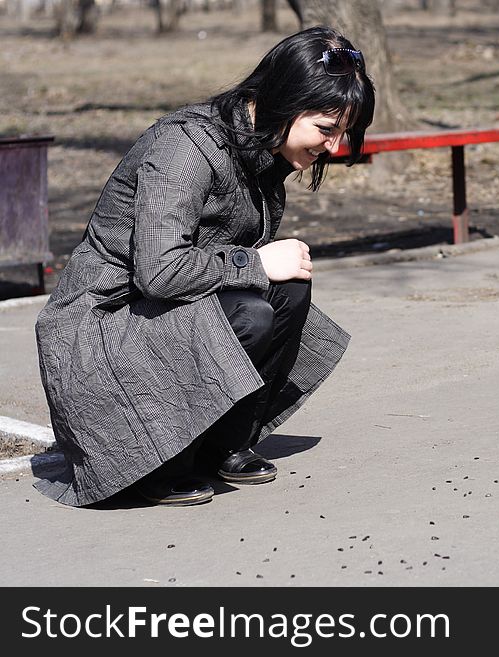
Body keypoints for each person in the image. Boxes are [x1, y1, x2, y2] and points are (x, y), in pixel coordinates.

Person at [33, 26, 375, 507]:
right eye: (326, 129)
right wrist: (254, 263)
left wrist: (258, 269)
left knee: (289, 290)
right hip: (99, 334)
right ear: (284, 100)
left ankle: (221, 445)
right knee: (252, 310)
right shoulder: (186, 147)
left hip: (152, 317)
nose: (335, 147)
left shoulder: (263, 154)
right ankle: (154, 463)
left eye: (344, 133)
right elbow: (160, 270)